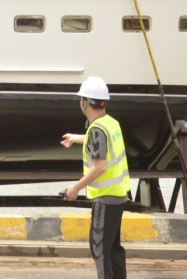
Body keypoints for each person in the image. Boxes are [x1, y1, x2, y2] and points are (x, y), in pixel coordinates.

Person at [59, 76, 129, 279]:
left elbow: (100, 167)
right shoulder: (110, 123)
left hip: (105, 198)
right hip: (118, 196)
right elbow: (99, 141)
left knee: (99, 250)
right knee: (113, 249)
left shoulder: (97, 129)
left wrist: (75, 188)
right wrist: (75, 138)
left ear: (85, 102)